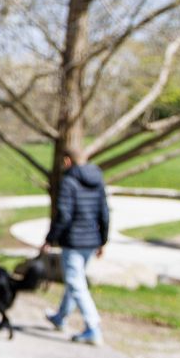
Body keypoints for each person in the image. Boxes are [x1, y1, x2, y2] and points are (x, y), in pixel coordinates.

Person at [41, 147, 110, 345]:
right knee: (75, 281)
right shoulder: (98, 181)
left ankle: (93, 327)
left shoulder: (69, 181)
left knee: (76, 283)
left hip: (73, 240)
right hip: (91, 240)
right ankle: (60, 317)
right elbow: (104, 213)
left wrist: (50, 238)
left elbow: (64, 215)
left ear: (68, 161)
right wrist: (102, 240)